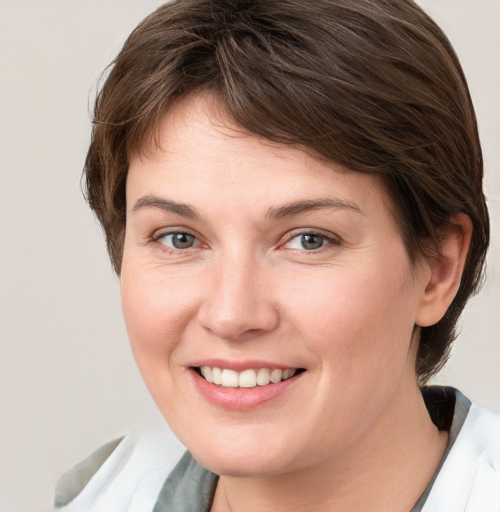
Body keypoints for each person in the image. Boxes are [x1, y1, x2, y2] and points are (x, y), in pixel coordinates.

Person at [54, 0, 499, 510]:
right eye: (179, 238)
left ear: (438, 271)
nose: (231, 315)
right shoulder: (91, 495)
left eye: (309, 239)